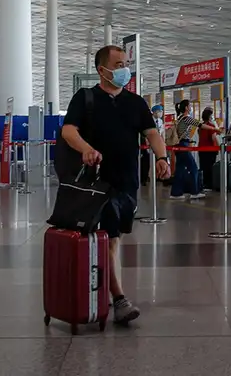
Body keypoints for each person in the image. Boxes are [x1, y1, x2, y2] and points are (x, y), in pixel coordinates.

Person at [61, 45, 171, 326]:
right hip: (96, 182)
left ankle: (109, 290)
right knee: (109, 239)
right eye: (119, 64)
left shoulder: (135, 103)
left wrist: (161, 157)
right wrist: (85, 148)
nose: (125, 70)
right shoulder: (85, 98)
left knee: (114, 240)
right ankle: (120, 299)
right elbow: (68, 130)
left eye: (126, 64)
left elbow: (152, 133)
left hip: (127, 183)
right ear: (102, 70)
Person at [169, 100, 205, 200]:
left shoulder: (179, 118)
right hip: (183, 145)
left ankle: (176, 193)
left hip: (178, 145)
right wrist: (215, 129)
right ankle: (195, 192)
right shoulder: (187, 119)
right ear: (186, 108)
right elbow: (200, 125)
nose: (191, 107)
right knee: (193, 167)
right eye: (190, 106)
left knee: (180, 169)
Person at [197, 107, 223, 192]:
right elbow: (213, 138)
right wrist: (219, 148)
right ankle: (209, 185)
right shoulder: (210, 126)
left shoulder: (201, 126)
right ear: (210, 116)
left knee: (203, 167)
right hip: (209, 149)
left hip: (201, 149)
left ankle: (204, 184)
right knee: (210, 167)